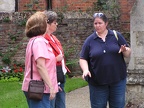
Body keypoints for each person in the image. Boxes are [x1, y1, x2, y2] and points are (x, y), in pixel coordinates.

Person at [79, 12, 131, 108]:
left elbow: (128, 53)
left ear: (106, 23)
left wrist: (125, 50)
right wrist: (85, 70)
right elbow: (83, 58)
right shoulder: (90, 40)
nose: (97, 26)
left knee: (118, 106)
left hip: (117, 81)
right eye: (95, 23)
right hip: (97, 83)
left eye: (100, 23)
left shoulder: (116, 36)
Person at [22, 11, 60, 108]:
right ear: (41, 25)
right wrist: (50, 86)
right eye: (46, 21)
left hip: (39, 87)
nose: (48, 24)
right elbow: (41, 66)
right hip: (39, 89)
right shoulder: (39, 42)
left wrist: (54, 84)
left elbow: (46, 66)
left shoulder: (35, 40)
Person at [43, 10, 70, 108]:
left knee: (61, 104)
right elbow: (42, 61)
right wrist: (56, 59)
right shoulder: (43, 40)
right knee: (52, 104)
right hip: (51, 76)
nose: (56, 24)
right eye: (54, 23)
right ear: (47, 24)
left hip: (59, 75)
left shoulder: (53, 37)